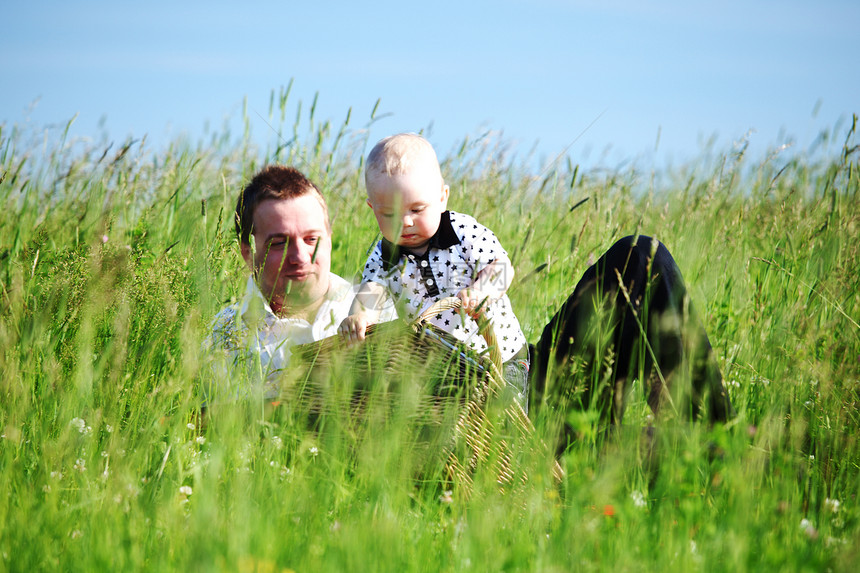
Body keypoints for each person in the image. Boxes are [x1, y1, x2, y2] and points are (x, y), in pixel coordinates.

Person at [338, 133, 530, 408]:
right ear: (373, 209)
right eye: (389, 214)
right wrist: (359, 316)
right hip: (438, 362)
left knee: (503, 416)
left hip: (500, 354)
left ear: (442, 198)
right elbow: (372, 291)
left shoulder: (462, 231)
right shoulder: (383, 255)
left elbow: (501, 268)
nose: (405, 222)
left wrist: (481, 290)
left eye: (417, 209)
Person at [530, 234, 736, 452]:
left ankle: (717, 431)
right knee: (637, 254)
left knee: (638, 253)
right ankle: (718, 441)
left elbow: (500, 266)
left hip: (536, 367)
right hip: (526, 395)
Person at [202, 165, 393, 402]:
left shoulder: (381, 312)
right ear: (248, 253)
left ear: (330, 240)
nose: (301, 257)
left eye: (312, 239)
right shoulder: (224, 334)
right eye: (279, 243)